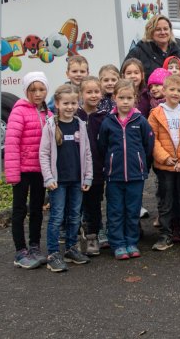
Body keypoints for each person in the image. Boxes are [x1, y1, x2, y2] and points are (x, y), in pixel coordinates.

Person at [98, 80, 155, 260]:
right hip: (114, 176)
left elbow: (148, 145)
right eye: (121, 97)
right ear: (114, 98)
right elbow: (102, 146)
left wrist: (140, 163)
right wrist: (110, 164)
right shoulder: (108, 122)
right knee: (115, 210)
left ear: (135, 99)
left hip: (135, 175)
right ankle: (118, 244)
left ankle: (131, 241)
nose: (125, 101)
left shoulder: (141, 121)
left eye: (129, 98)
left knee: (132, 210)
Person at [39, 84, 93, 272]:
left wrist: (88, 177)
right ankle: (53, 253)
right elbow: (44, 154)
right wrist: (48, 178)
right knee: (57, 217)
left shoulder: (80, 124)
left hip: (77, 180)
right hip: (58, 182)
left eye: (74, 103)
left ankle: (71, 248)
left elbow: (87, 153)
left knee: (74, 216)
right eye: (66, 103)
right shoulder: (51, 126)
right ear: (57, 104)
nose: (70, 107)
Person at [5, 72, 52, 269]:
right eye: (33, 90)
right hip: (23, 170)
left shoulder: (48, 114)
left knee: (36, 210)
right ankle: (20, 251)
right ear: (26, 91)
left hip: (40, 170)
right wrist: (13, 173)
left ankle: (34, 246)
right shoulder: (19, 111)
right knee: (19, 210)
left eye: (41, 89)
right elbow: (12, 143)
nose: (38, 94)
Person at [148, 75, 180, 251]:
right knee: (166, 201)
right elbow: (152, 139)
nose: (175, 93)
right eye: (172, 89)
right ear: (164, 91)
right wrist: (165, 158)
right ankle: (165, 235)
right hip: (164, 165)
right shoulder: (155, 113)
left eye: (179, 90)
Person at [77, 77, 105, 255]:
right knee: (76, 206)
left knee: (94, 204)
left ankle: (93, 237)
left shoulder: (103, 119)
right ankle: (76, 238)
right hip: (76, 171)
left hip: (96, 170)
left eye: (96, 91)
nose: (93, 95)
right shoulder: (74, 116)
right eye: (89, 92)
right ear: (81, 94)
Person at [125, 15, 180, 80]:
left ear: (170, 31)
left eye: (165, 29)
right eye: (158, 29)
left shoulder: (179, 53)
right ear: (150, 32)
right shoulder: (138, 52)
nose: (163, 32)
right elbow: (124, 77)